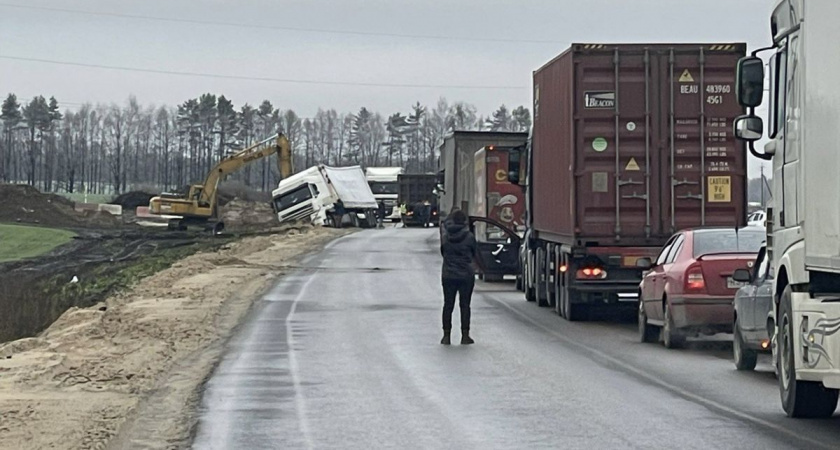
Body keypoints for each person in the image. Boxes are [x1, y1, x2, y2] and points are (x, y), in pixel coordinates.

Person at [439, 209, 477, 345]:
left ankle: (446, 336)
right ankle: (465, 335)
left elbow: (443, 252)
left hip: (448, 275)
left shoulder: (445, 236)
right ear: (464, 222)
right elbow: (474, 253)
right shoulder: (469, 237)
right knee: (465, 305)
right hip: (466, 275)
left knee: (448, 305)